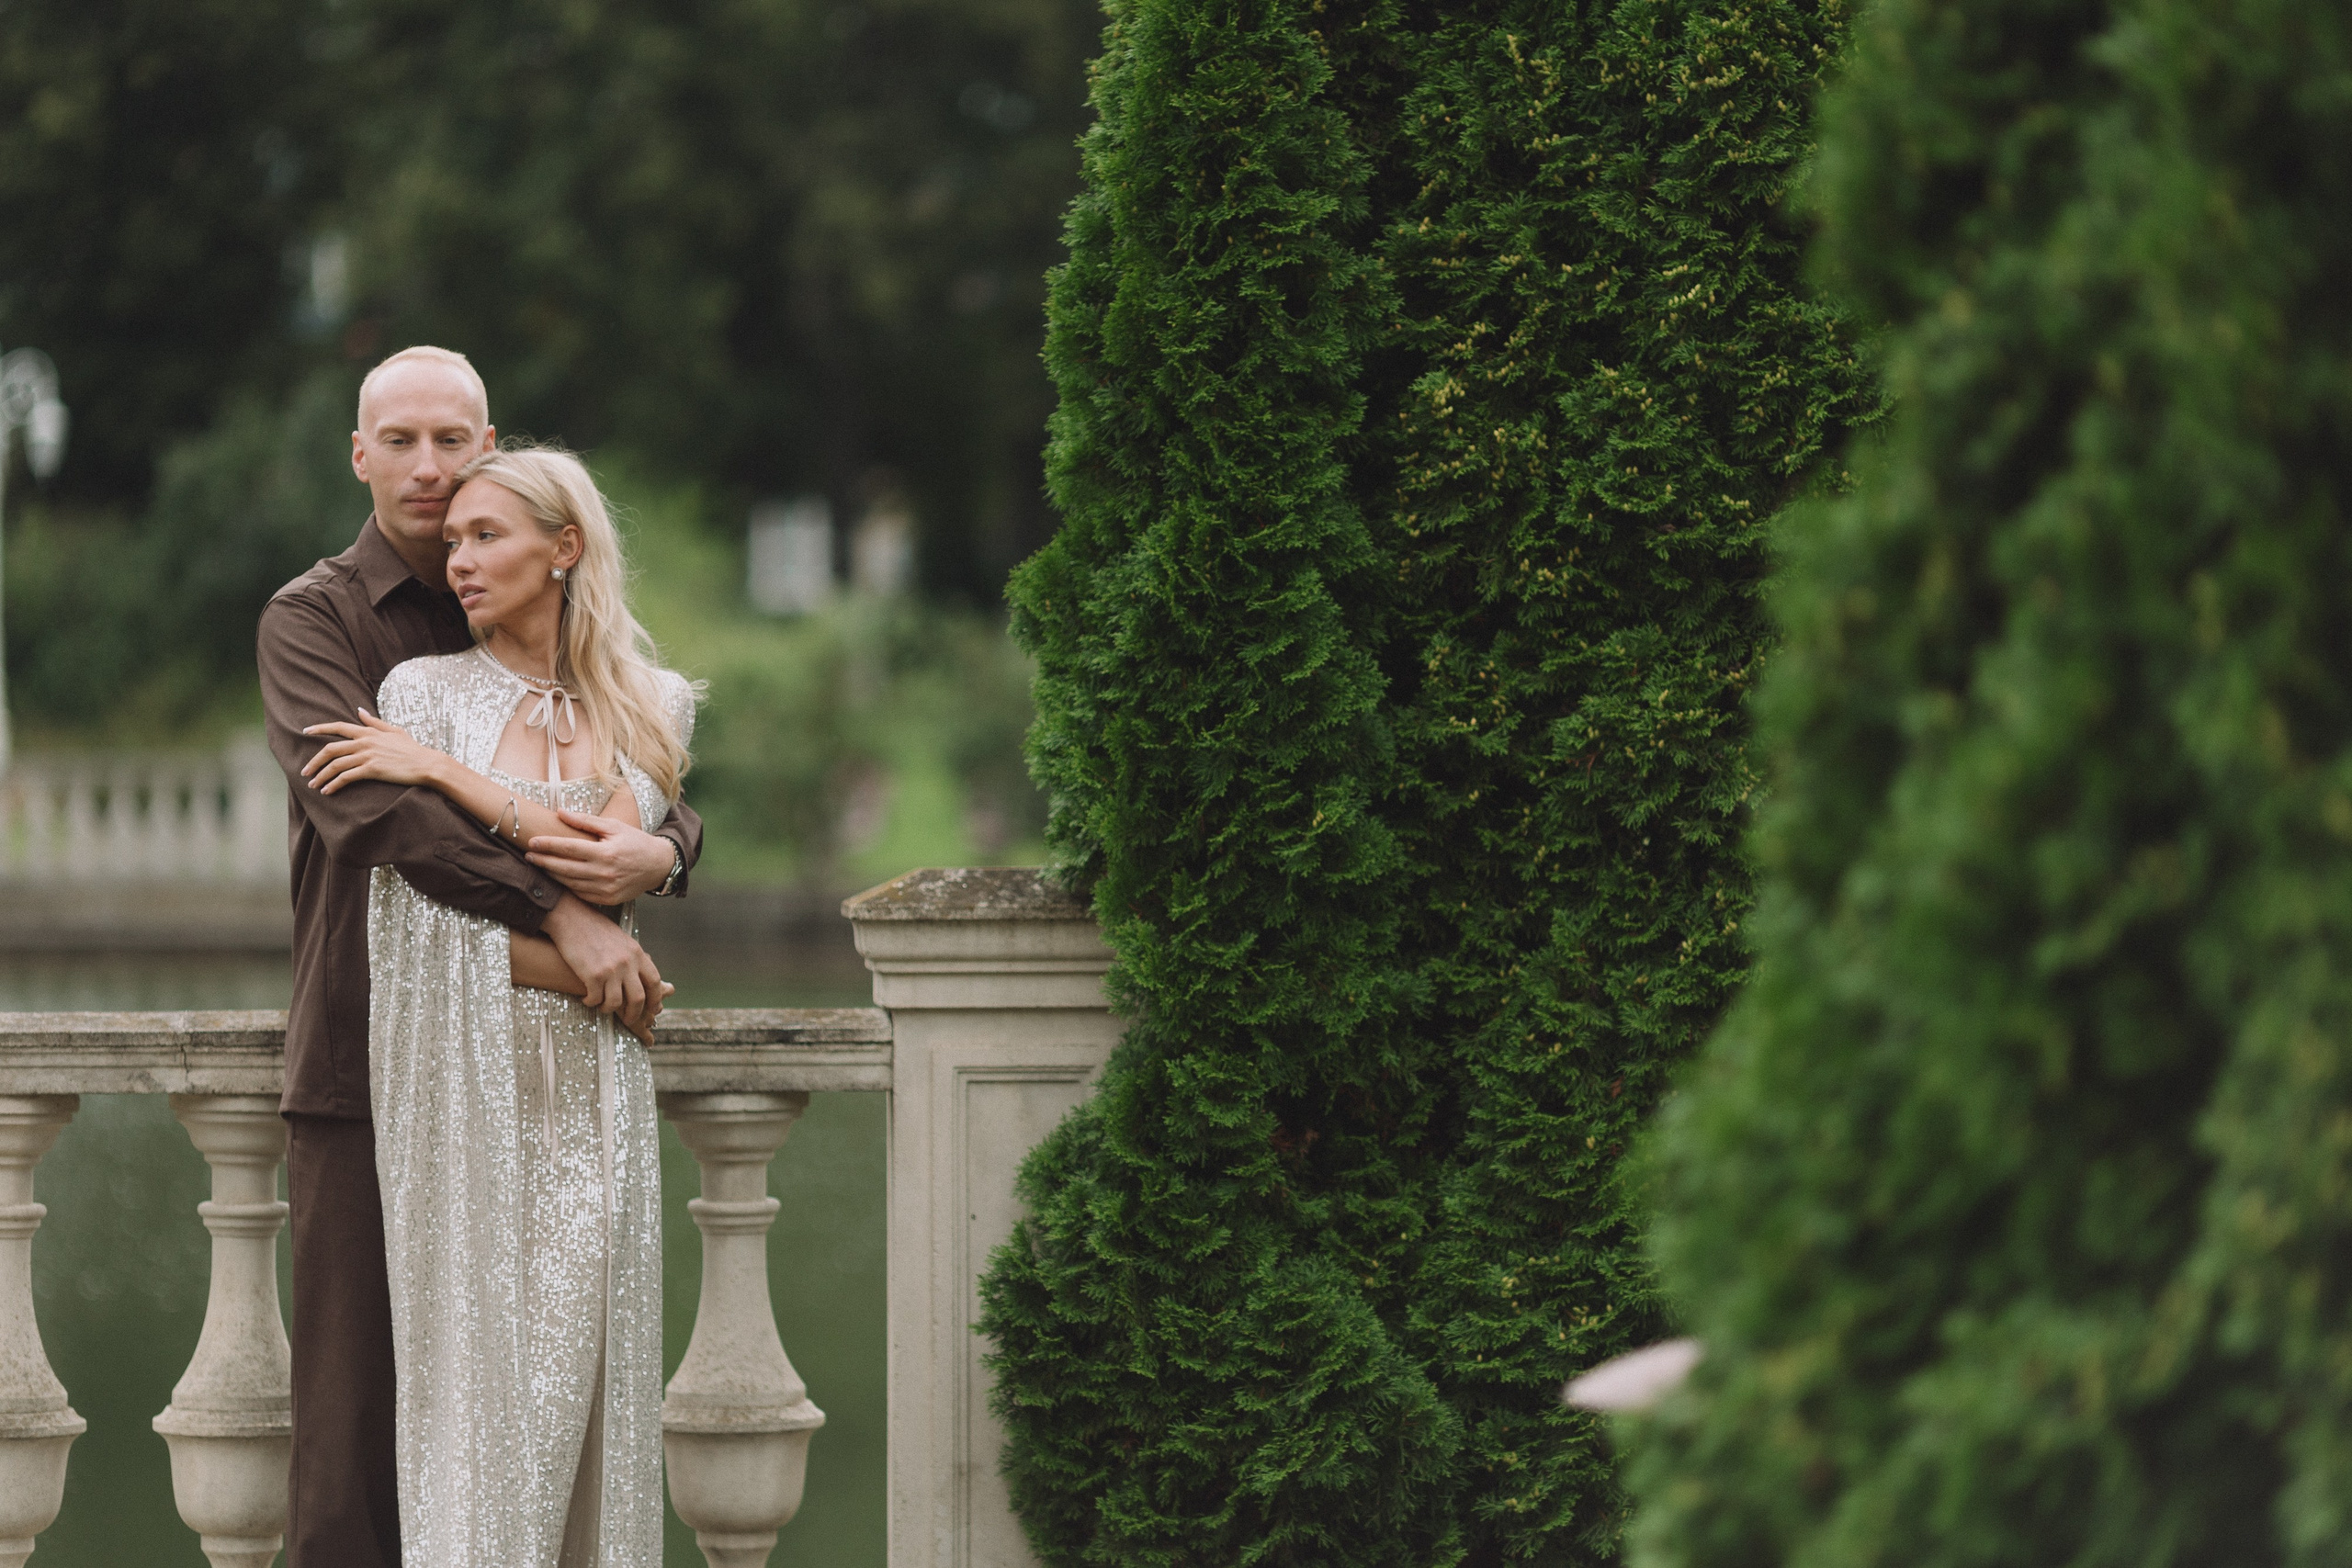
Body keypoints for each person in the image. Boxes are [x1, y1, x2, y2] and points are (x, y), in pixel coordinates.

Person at [257, 347, 698, 1568]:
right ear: (359, 455)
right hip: (364, 1062)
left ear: (490, 446)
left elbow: (641, 767)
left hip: (554, 1085)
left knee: (542, 1421)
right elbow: (380, 824)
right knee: (354, 1462)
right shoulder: (318, 621)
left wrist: (665, 856)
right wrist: (566, 918)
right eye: (398, 440)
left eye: (452, 440)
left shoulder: (509, 587)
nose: (429, 468)